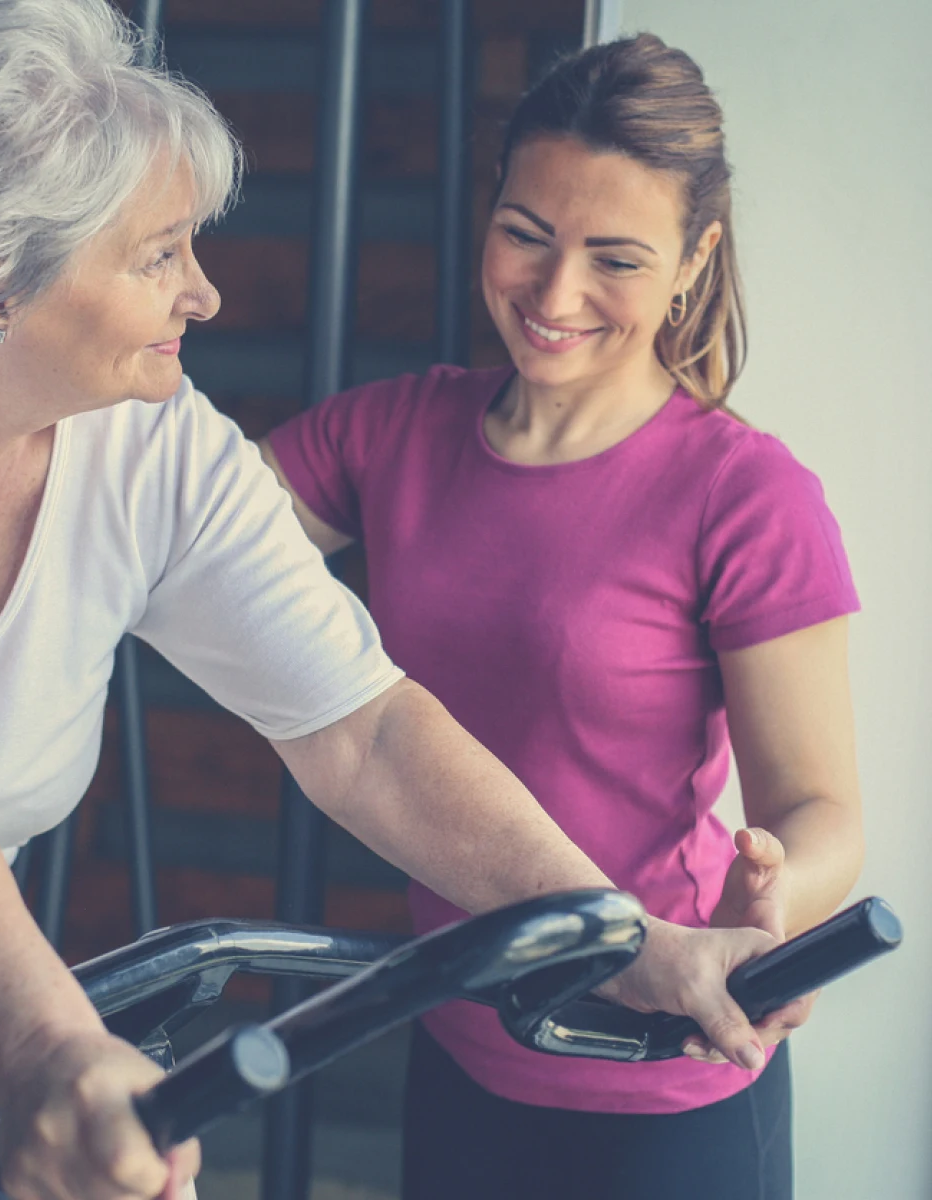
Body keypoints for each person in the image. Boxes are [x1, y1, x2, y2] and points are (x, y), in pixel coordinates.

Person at [0, 6, 797, 1200]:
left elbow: (363, 728)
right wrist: (47, 1052)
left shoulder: (150, 444)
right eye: (158, 256)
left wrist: (624, 938)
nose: (205, 294)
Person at [262, 32, 863, 1200]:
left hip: (666, 1083)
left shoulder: (746, 495)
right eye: (526, 235)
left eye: (616, 259)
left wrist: (778, 895)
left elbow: (820, 805)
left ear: (696, 259)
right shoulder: (394, 433)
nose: (553, 295)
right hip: (461, 1051)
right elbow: (187, 535)